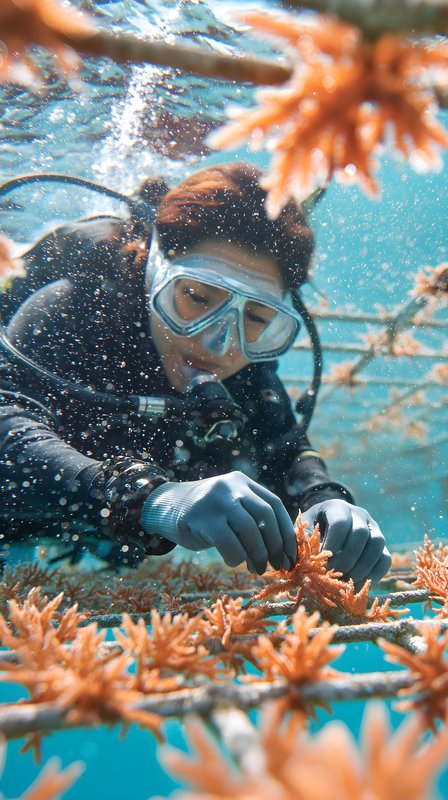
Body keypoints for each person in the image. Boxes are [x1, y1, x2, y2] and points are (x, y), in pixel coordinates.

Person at [0, 161, 391, 583]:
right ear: (155, 271)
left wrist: (325, 498)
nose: (218, 345)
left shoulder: (247, 372)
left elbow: (286, 450)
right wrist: (150, 500)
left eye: (257, 318)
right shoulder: (78, 310)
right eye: (197, 296)